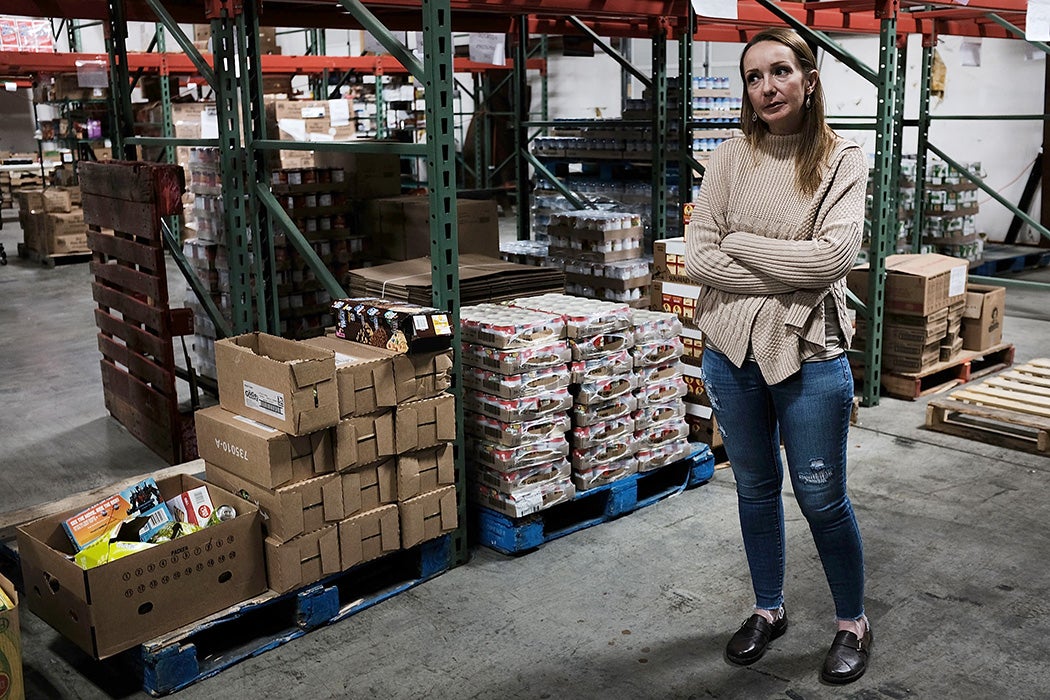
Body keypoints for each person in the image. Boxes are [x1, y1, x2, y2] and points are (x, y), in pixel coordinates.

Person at [684, 27, 871, 684]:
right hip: (730, 354)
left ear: (809, 78)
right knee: (756, 492)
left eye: (780, 71)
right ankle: (769, 608)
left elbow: (832, 259)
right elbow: (698, 255)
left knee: (821, 498)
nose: (767, 86)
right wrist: (778, 266)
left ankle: (852, 621)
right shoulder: (728, 157)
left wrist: (739, 242)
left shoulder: (842, 159)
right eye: (754, 76)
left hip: (810, 355)